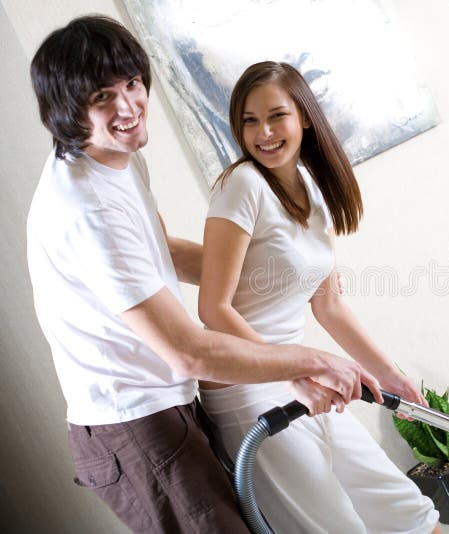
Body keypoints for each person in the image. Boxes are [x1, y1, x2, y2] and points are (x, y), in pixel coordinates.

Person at [27, 16, 381, 533]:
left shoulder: (117, 158)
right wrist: (312, 362)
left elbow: (156, 250)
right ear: (65, 110)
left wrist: (270, 274)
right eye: (103, 96)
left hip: (168, 401)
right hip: (132, 420)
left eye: (131, 83)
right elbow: (189, 349)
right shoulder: (88, 209)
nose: (128, 107)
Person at [198, 61, 442, 534]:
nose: (264, 132)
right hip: (248, 389)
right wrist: (291, 372)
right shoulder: (241, 186)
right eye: (249, 120)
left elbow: (327, 303)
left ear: (305, 117)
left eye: (277, 116)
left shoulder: (312, 189)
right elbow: (213, 307)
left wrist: (392, 377)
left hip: (304, 374)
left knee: (407, 513)